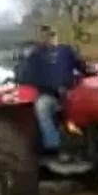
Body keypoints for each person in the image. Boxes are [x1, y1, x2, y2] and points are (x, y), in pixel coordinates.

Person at [16, 26, 87, 160]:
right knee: (42, 107)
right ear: (41, 38)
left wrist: (87, 73)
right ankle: (55, 146)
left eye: (52, 35)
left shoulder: (67, 51)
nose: (50, 38)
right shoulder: (35, 55)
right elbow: (25, 76)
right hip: (48, 95)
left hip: (70, 93)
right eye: (47, 36)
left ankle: (84, 144)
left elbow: (82, 67)